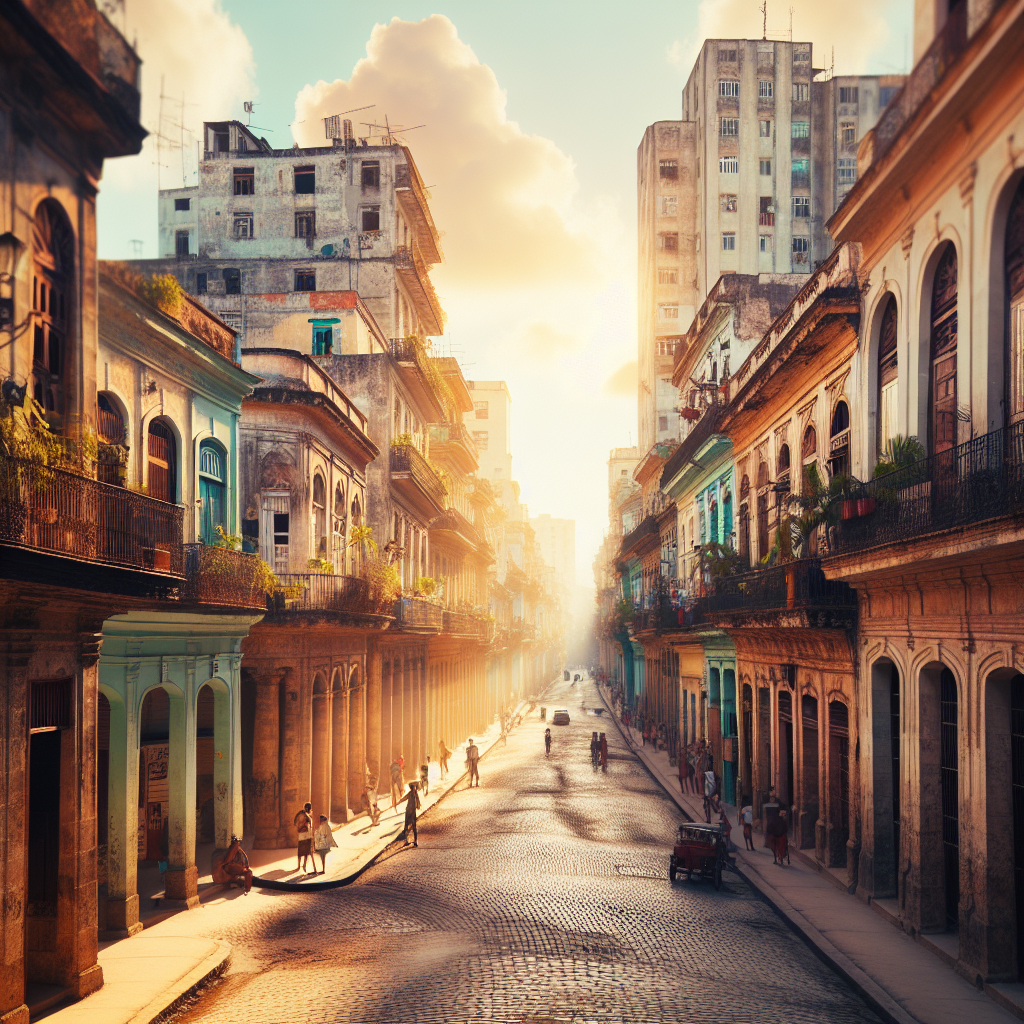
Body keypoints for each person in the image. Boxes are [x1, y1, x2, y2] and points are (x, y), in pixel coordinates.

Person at [398, 781, 421, 846]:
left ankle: (414, 840)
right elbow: (405, 799)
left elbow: (417, 802)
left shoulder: (413, 794)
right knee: (410, 826)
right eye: (414, 787)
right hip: (410, 811)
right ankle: (410, 840)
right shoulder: (413, 793)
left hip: (410, 812)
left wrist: (418, 805)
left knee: (411, 826)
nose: (414, 789)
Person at [294, 802, 313, 874]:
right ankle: (301, 866)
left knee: (304, 851)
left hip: (303, 835)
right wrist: (303, 826)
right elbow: (299, 824)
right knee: (304, 850)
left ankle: (302, 865)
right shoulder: (303, 815)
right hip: (304, 835)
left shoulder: (302, 814)